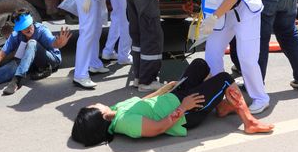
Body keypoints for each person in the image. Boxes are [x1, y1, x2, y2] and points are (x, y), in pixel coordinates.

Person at [71, 58, 274, 147]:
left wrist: (166, 89)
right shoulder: (126, 124)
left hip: (176, 96)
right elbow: (158, 128)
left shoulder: (115, 110)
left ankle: (222, 107)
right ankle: (249, 122)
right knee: (224, 80)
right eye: (93, 107)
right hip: (187, 111)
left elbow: (143, 101)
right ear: (100, 116)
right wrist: (183, 107)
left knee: (199, 65)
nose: (95, 103)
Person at [0, 10, 71, 96]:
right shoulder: (16, 35)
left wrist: (59, 43)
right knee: (12, 66)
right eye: (25, 27)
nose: (29, 29)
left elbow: (53, 43)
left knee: (32, 43)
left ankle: (16, 81)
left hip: (50, 59)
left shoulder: (41, 30)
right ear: (19, 29)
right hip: (28, 61)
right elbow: (0, 55)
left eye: (29, 25)